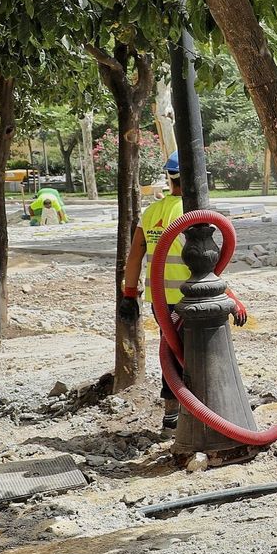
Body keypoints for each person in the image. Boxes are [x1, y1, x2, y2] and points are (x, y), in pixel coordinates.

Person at [120, 152, 190, 430]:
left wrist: (129, 294)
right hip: (191, 298)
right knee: (196, 355)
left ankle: (172, 415)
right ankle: (196, 414)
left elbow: (135, 256)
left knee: (170, 353)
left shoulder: (151, 211)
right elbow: (208, 260)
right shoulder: (193, 209)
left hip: (161, 300)